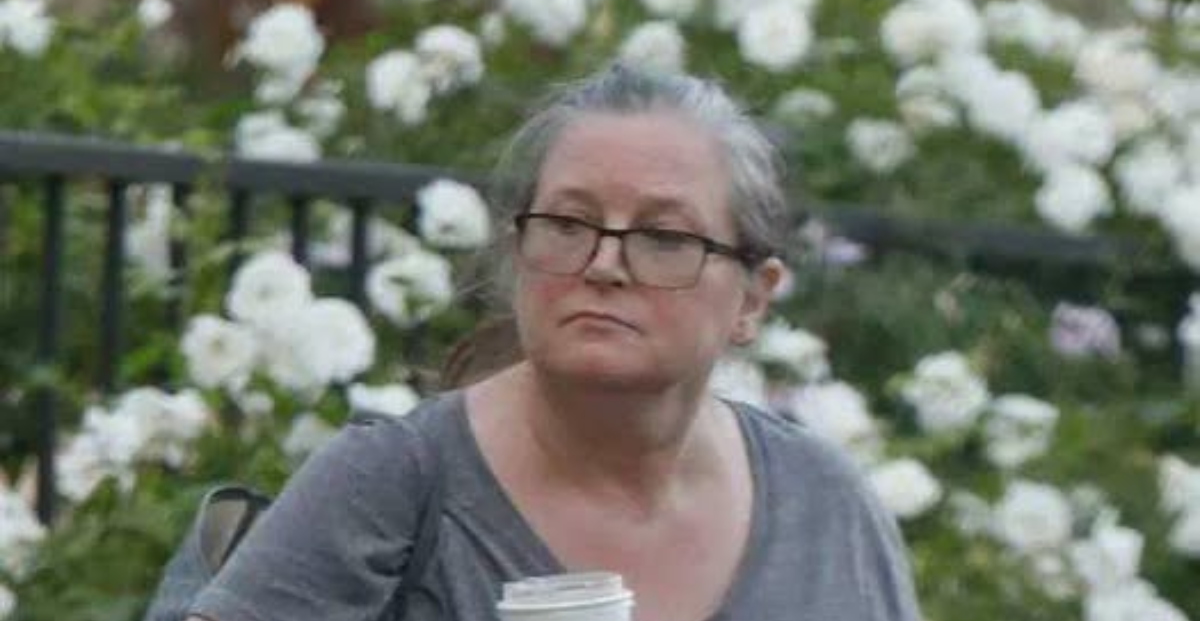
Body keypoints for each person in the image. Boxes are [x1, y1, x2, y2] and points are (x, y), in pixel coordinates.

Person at [186, 64, 922, 621]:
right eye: (568, 225)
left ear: (753, 298)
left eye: (664, 236)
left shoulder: (822, 503)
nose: (603, 264)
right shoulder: (392, 484)